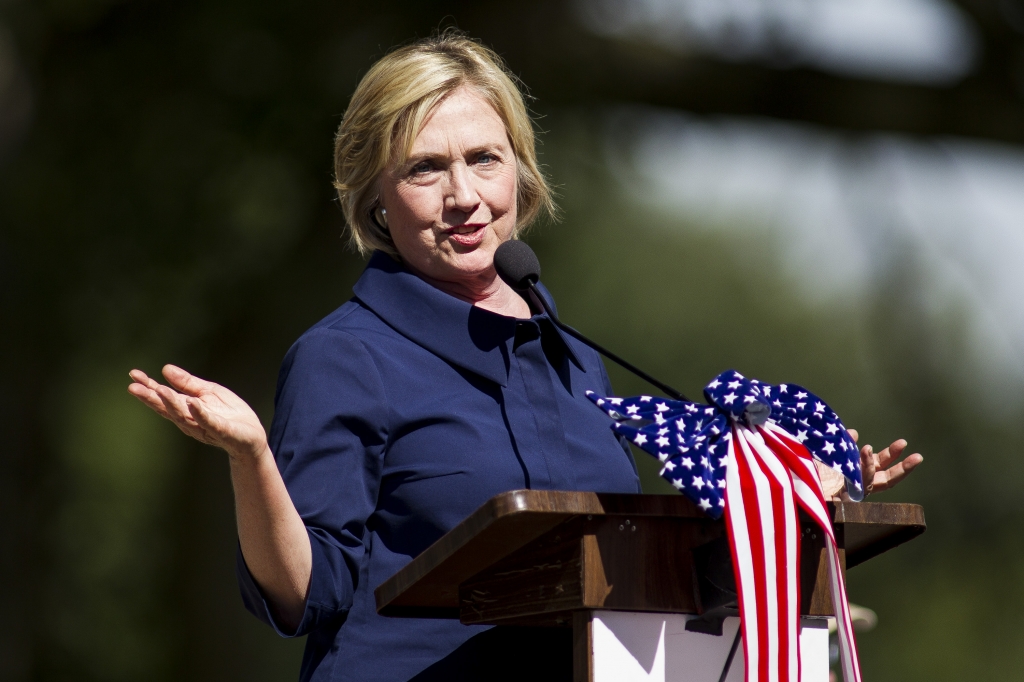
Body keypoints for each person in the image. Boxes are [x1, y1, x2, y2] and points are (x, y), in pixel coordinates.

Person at [127, 32, 922, 682]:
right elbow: (304, 597)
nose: (464, 196)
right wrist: (252, 458)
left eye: (484, 158)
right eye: (424, 168)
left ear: (521, 171)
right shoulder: (343, 357)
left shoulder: (579, 362)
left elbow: (640, 577)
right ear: (374, 197)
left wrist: (802, 503)